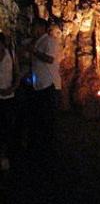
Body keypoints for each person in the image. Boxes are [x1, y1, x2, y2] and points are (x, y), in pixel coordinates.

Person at [21, 17, 61, 153]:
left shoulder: (50, 41)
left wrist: (34, 51)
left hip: (49, 85)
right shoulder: (36, 42)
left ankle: (50, 147)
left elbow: (50, 59)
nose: (32, 30)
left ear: (41, 27)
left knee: (49, 118)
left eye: (34, 27)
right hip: (38, 85)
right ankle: (39, 146)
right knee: (39, 117)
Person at [0, 32, 20, 170]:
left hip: (8, 96)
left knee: (7, 126)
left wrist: (13, 88)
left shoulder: (11, 54)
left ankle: (6, 155)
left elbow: (17, 73)